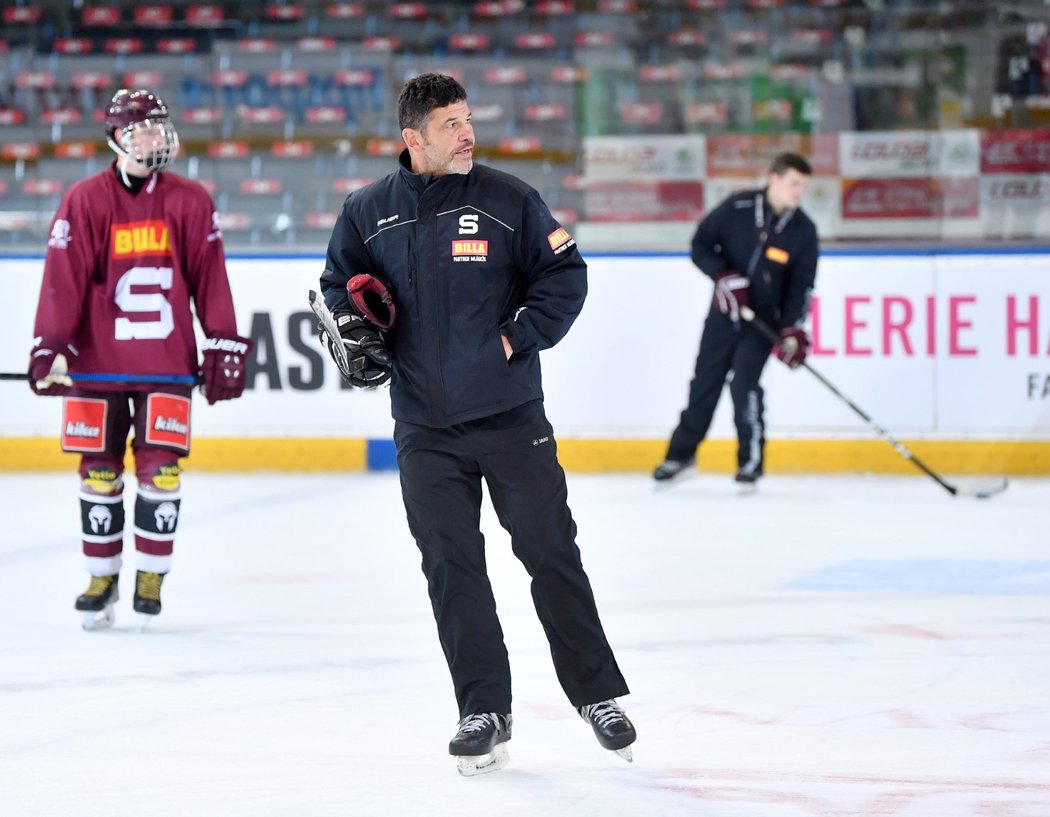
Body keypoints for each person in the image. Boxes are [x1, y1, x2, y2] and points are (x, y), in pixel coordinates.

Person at [318, 73, 634, 776]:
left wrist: (517, 337)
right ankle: (483, 708)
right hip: (423, 428)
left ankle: (599, 695)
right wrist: (349, 321)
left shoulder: (507, 200)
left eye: (467, 119)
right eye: (450, 124)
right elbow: (340, 284)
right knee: (452, 567)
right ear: (412, 139)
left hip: (508, 415)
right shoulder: (368, 211)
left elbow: (565, 274)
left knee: (551, 550)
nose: (466, 133)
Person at [27, 89, 252, 631]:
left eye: (159, 128)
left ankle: (151, 575)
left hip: (167, 368)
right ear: (115, 138)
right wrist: (48, 344)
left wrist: (222, 339)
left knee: (163, 474)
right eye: (141, 130)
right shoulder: (83, 200)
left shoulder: (191, 200)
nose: (154, 138)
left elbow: (210, 279)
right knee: (99, 475)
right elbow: (63, 281)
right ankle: (101, 576)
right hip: (95, 370)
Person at [653, 152, 818, 487]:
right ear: (774, 178)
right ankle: (680, 455)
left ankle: (751, 461)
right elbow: (700, 244)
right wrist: (722, 276)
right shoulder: (738, 208)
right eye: (793, 183)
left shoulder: (803, 230)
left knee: (745, 386)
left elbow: (802, 287)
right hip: (723, 316)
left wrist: (791, 328)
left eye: (803, 185)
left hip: (762, 325)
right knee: (704, 385)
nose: (798, 192)